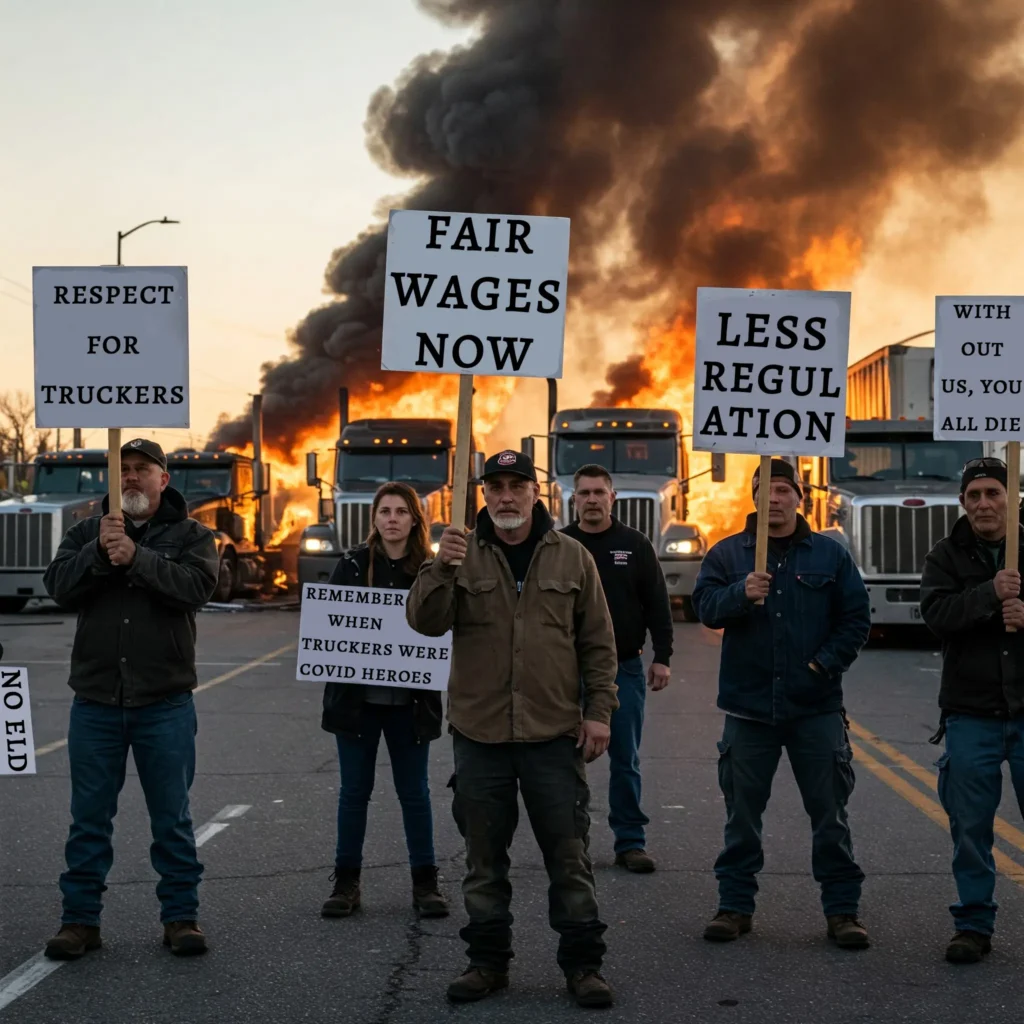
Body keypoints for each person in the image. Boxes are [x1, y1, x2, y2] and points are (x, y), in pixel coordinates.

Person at [407, 449, 619, 1009]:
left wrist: (599, 711)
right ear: (483, 495)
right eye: (494, 486)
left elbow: (598, 642)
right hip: (481, 738)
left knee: (569, 858)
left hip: (554, 736)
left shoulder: (572, 558)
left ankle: (583, 966)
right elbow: (424, 625)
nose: (505, 495)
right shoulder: (457, 554)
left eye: (516, 485)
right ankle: (486, 964)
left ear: (534, 493)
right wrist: (439, 569)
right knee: (483, 861)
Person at [41, 438, 219, 960]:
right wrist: (99, 553)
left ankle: (181, 918)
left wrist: (137, 559)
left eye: (143, 469)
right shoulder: (83, 533)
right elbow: (58, 587)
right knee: (88, 820)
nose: (132, 477)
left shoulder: (193, 536)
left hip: (163, 704)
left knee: (172, 819)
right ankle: (79, 922)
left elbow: (196, 589)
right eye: (123, 469)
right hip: (95, 703)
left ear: (165, 479)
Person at [691, 459, 871, 949]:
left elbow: (855, 619)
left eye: (784, 489)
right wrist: (738, 593)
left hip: (815, 711)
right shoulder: (729, 555)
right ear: (752, 496)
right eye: (764, 489)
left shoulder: (830, 556)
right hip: (749, 712)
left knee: (830, 816)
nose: (774, 498)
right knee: (742, 817)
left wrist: (820, 667)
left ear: (799, 497)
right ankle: (734, 907)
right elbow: (702, 607)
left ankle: (842, 912)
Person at [320, 482, 447, 920]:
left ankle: (425, 883)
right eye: (385, 511)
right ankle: (346, 882)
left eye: (400, 511)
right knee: (354, 792)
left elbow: (447, 624)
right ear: (374, 519)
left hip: (412, 705)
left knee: (415, 794)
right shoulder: (352, 565)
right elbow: (331, 630)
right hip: (357, 704)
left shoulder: (430, 569)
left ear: (415, 520)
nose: (392, 518)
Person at [920, 456, 1024, 964]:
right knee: (970, 828)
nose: (984, 503)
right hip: (971, 716)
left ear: (1012, 497)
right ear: (963, 502)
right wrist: (989, 594)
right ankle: (973, 925)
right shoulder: (945, 555)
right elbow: (937, 616)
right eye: (975, 495)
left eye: (994, 493)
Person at [560, 463, 673, 873]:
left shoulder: (635, 544)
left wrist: (662, 656)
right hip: (565, 672)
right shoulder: (558, 545)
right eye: (584, 493)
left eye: (599, 492)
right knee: (566, 761)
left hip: (623, 669)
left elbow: (657, 603)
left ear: (612, 498)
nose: (591, 499)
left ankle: (631, 842)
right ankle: (572, 844)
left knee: (625, 759)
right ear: (573, 500)